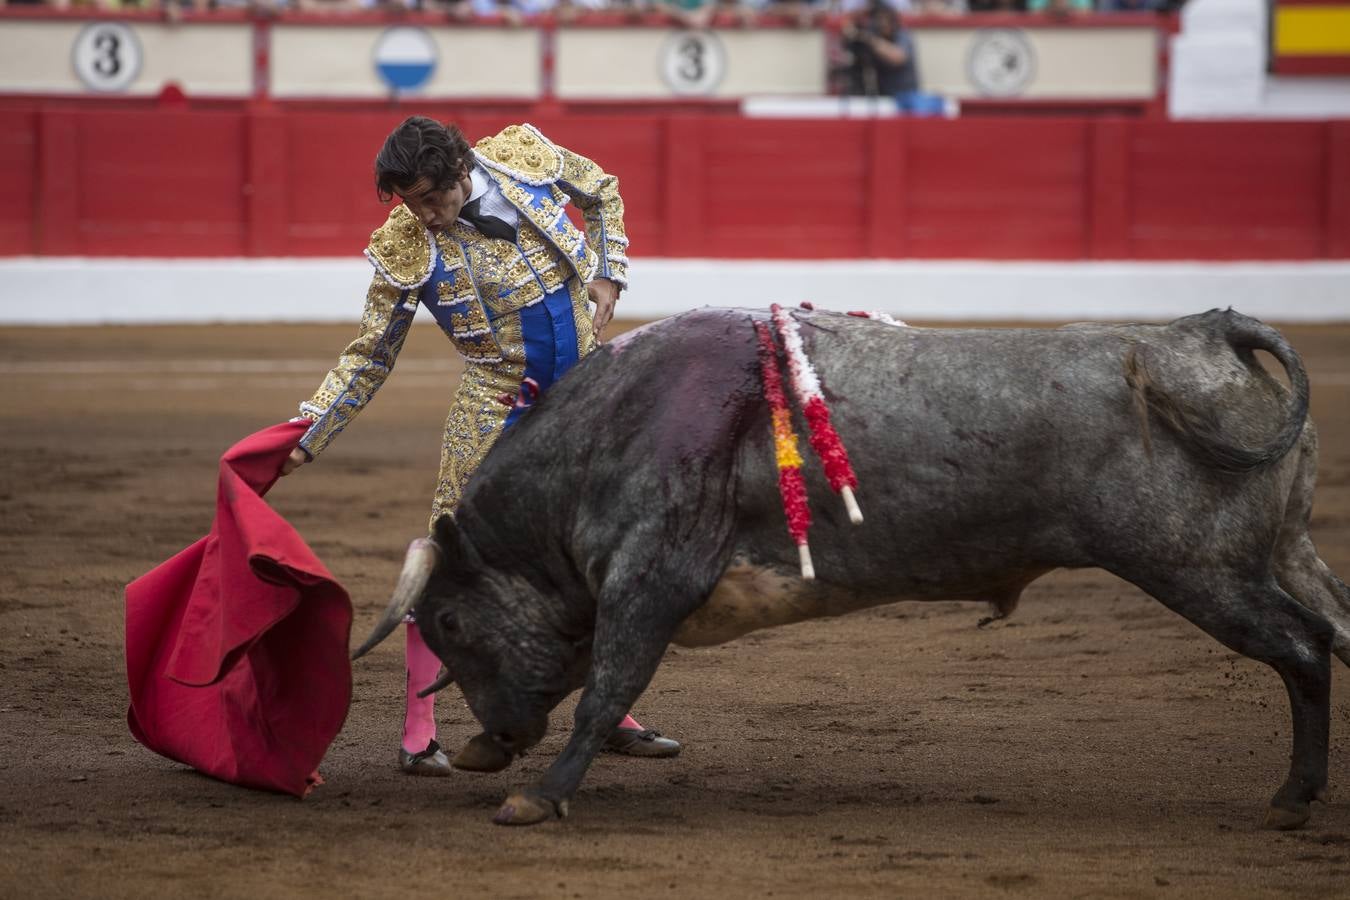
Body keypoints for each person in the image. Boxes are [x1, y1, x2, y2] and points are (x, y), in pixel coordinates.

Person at [283, 117, 681, 775]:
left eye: (432, 198)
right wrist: (309, 432)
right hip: (497, 403)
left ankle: (610, 713)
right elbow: (371, 354)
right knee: (445, 557)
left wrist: (610, 275)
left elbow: (601, 192)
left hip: (588, 389)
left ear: (461, 169)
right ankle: (418, 733)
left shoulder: (521, 157)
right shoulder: (405, 245)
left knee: (602, 552)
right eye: (410, 202)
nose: (425, 215)